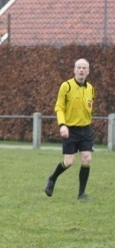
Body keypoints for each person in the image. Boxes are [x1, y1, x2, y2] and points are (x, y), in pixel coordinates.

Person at [44, 58, 95, 200]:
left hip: (86, 130)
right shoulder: (66, 86)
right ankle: (52, 178)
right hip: (70, 130)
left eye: (84, 68)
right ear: (74, 70)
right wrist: (62, 125)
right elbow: (59, 107)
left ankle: (81, 194)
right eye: (79, 67)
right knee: (69, 162)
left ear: (88, 71)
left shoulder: (91, 89)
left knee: (87, 158)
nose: (81, 70)